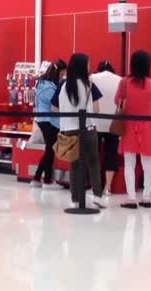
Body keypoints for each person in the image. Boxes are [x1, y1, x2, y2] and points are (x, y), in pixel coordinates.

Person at [51, 53, 106, 209]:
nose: (90, 67)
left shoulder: (62, 85)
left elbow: (54, 108)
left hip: (69, 130)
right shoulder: (89, 85)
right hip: (88, 128)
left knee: (74, 164)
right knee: (93, 162)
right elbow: (96, 109)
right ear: (83, 66)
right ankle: (97, 196)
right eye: (88, 64)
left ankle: (75, 199)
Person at [116, 50, 151, 209]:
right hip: (147, 126)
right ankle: (146, 197)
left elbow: (118, 102)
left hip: (128, 125)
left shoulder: (125, 82)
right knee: (148, 162)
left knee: (129, 162)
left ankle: (131, 197)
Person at [31, 59, 67, 189]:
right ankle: (46, 180)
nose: (63, 76)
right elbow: (54, 106)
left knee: (49, 150)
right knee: (50, 151)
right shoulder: (50, 87)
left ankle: (37, 178)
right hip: (49, 121)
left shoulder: (41, 83)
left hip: (41, 119)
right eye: (62, 74)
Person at [91, 60, 122, 196]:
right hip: (113, 122)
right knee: (111, 154)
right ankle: (108, 187)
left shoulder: (92, 78)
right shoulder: (120, 80)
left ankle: (95, 186)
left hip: (94, 121)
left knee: (94, 156)